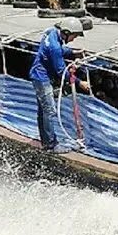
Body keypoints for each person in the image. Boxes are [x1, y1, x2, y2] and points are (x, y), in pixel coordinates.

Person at [29, 18, 90, 152]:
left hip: (38, 75)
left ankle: (45, 141)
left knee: (43, 111)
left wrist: (72, 52)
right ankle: (51, 145)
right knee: (49, 110)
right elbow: (61, 71)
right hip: (42, 78)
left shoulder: (51, 32)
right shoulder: (55, 48)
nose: (74, 39)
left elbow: (61, 48)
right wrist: (80, 83)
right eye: (74, 36)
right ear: (67, 32)